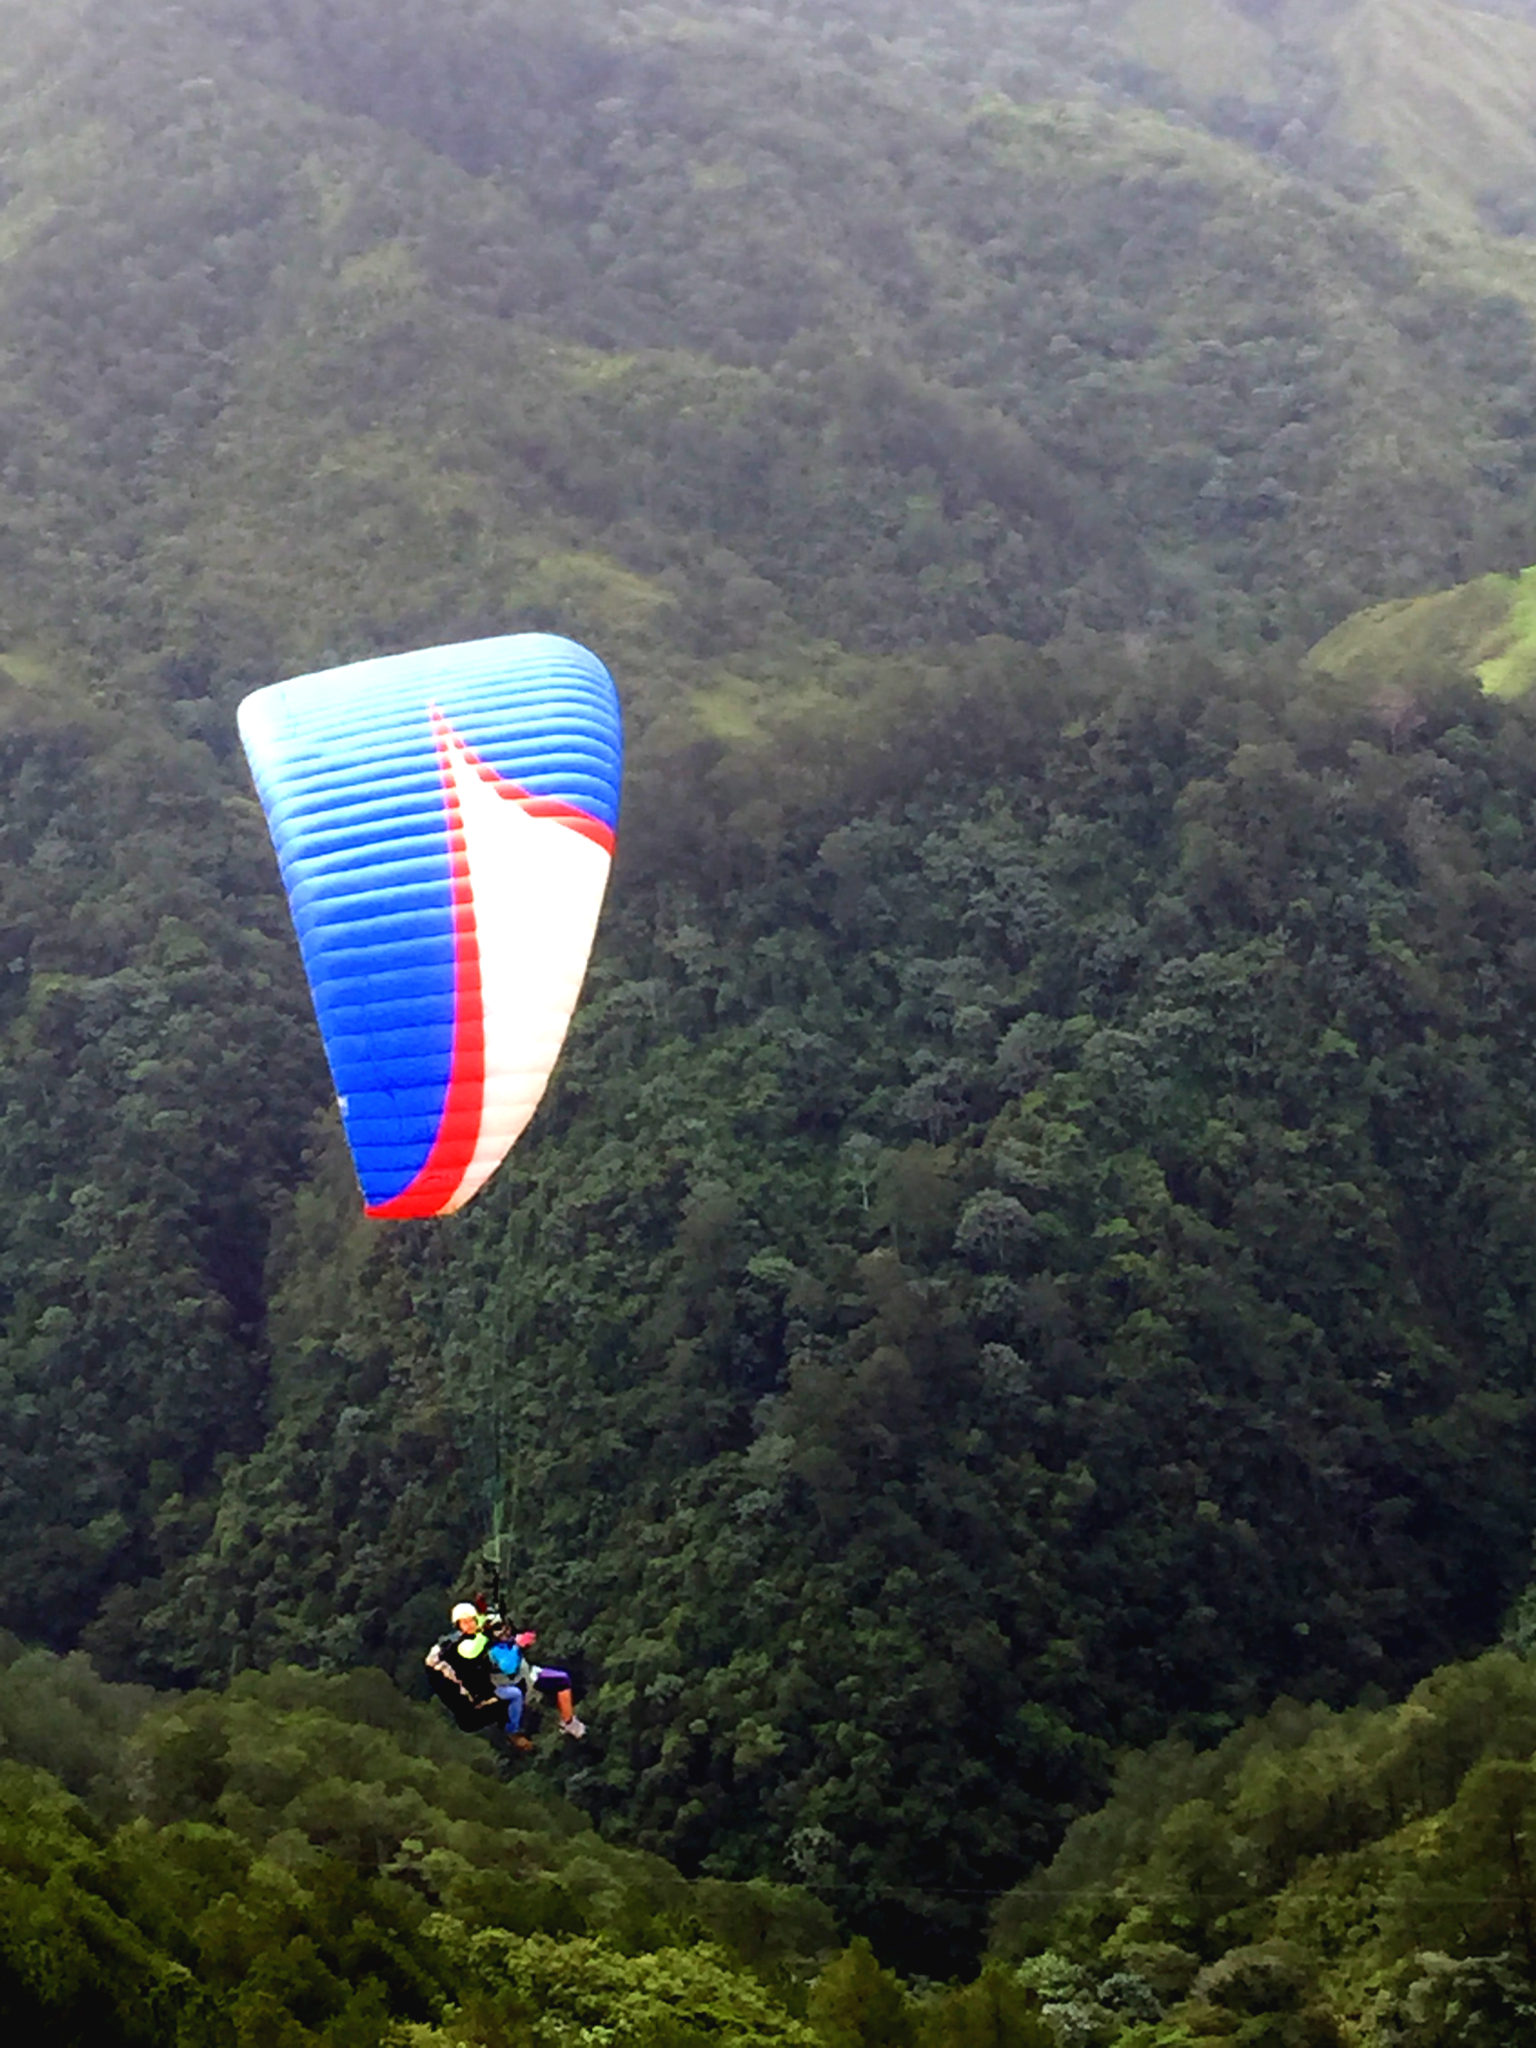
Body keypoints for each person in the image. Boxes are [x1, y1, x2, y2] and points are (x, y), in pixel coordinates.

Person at [424, 1601, 533, 1755]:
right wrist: (486, 1633)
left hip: (477, 1694)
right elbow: (471, 1651)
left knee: (515, 1695)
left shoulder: (475, 1634)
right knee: (508, 1700)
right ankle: (512, 1735)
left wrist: (491, 1617)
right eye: (464, 1623)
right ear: (458, 1626)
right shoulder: (460, 1646)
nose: (469, 1625)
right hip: (469, 1712)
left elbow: (483, 1628)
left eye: (471, 1621)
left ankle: (513, 1730)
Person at [486, 1617, 586, 1739]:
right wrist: (517, 1645)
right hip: (516, 1686)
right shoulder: (493, 1651)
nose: (505, 1632)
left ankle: (568, 1721)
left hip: (528, 1675)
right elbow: (509, 1667)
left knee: (562, 1680)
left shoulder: (506, 1643)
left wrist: (524, 1640)